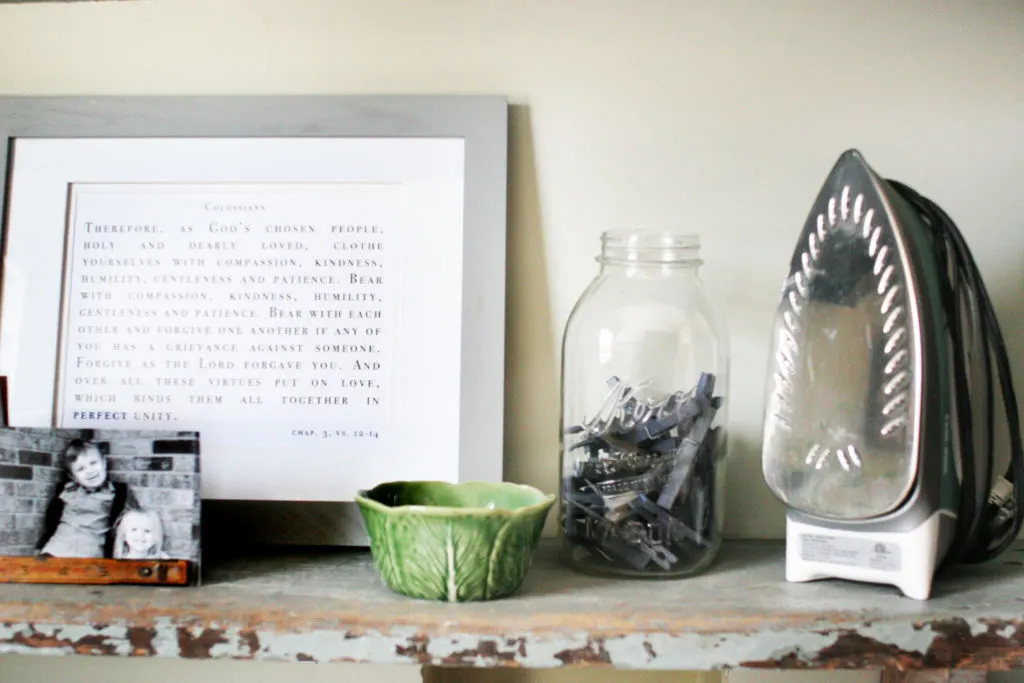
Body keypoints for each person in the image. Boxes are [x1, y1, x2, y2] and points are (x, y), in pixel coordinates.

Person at [36, 439, 138, 558]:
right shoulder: (66, 491)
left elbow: (132, 521)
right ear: (73, 477)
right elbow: (51, 520)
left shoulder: (118, 492)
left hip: (90, 553)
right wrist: (40, 547)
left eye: (93, 463)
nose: (89, 471)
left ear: (104, 462)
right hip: (57, 550)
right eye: (80, 469)